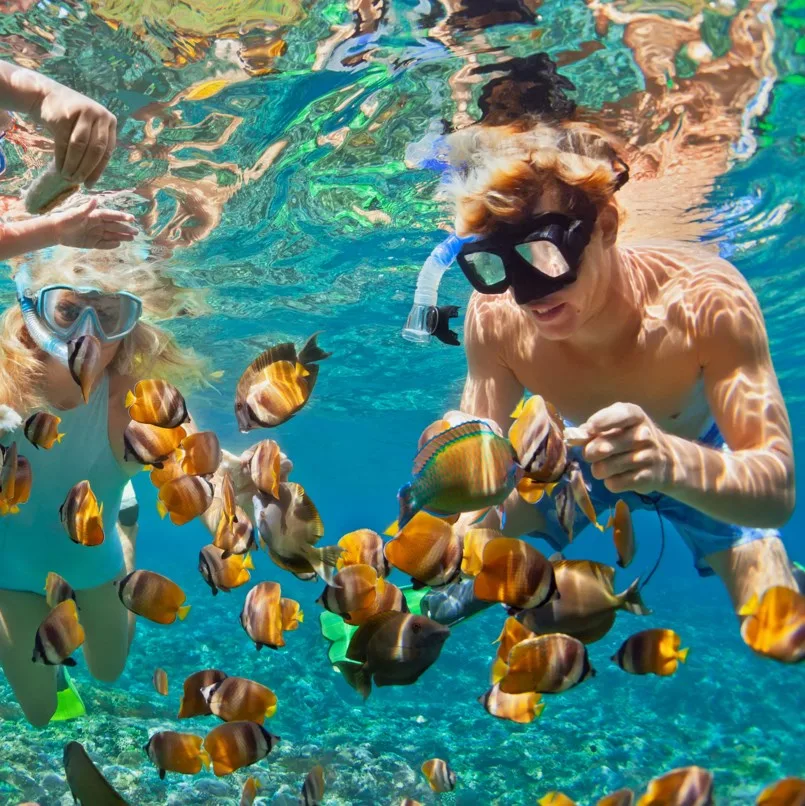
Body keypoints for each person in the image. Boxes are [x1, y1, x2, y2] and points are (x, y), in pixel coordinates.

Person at [430, 118, 797, 616]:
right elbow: (481, 474)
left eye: (545, 252)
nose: (527, 294)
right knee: (447, 578)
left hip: (698, 454)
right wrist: (459, 536)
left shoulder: (706, 297)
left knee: (782, 629)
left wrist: (670, 463)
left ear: (605, 227)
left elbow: (776, 489)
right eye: (493, 264)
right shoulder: (494, 317)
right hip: (569, 460)